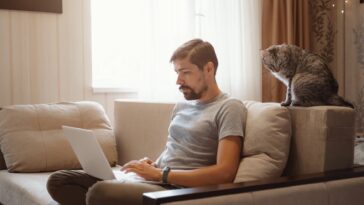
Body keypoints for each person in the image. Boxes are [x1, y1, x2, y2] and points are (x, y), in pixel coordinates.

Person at [47, 39, 247, 205]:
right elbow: (175, 150)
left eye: (185, 72)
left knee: (100, 193)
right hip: (159, 180)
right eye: (177, 73)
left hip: (178, 191)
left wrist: (162, 175)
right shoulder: (181, 106)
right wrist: (151, 165)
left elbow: (225, 172)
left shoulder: (229, 107)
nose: (178, 81)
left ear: (209, 69)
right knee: (59, 181)